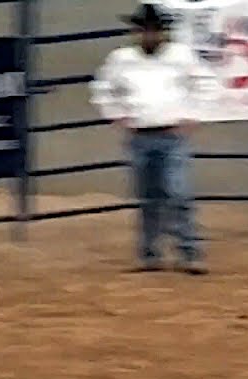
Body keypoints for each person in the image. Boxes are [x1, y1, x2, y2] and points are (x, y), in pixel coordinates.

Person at [90, 3, 219, 274]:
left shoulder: (181, 56)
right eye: (144, 31)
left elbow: (206, 84)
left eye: (154, 31)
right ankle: (151, 253)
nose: (149, 36)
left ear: (163, 32)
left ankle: (187, 251)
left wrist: (193, 115)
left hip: (170, 134)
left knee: (178, 192)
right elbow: (102, 88)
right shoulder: (121, 59)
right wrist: (115, 114)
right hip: (140, 135)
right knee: (149, 197)